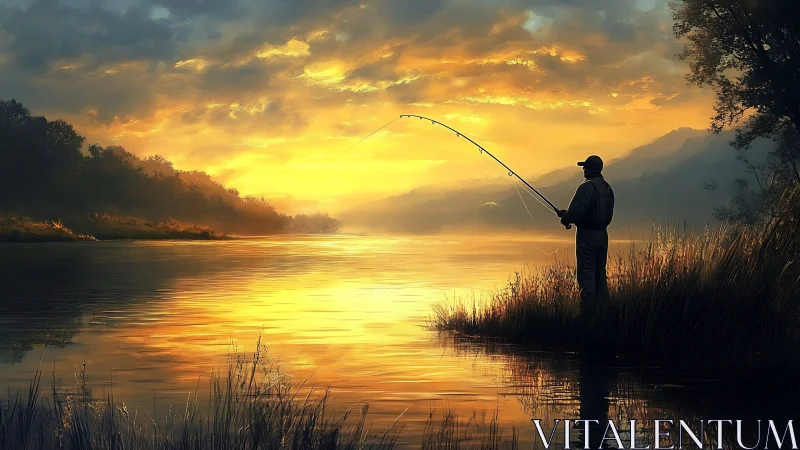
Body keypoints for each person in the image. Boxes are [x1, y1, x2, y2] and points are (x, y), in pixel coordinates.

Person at [557, 155, 615, 322]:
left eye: (584, 167)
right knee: (600, 273)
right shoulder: (607, 188)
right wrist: (569, 217)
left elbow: (575, 213)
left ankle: (587, 316)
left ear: (589, 169)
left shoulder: (586, 187)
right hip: (603, 235)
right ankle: (604, 312)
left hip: (587, 235)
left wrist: (566, 218)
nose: (583, 169)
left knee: (587, 274)